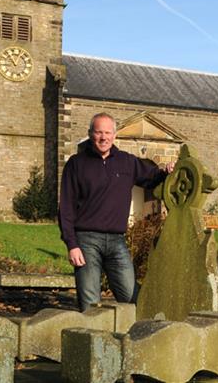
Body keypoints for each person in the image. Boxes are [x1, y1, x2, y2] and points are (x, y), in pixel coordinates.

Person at [59, 112, 174, 311]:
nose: (103, 137)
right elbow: (66, 207)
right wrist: (72, 244)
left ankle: (136, 339)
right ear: (90, 134)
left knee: (131, 296)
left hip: (117, 240)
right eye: (98, 133)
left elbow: (152, 177)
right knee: (89, 304)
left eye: (107, 133)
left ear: (114, 135)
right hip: (86, 240)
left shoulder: (127, 162)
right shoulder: (76, 164)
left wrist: (167, 171)